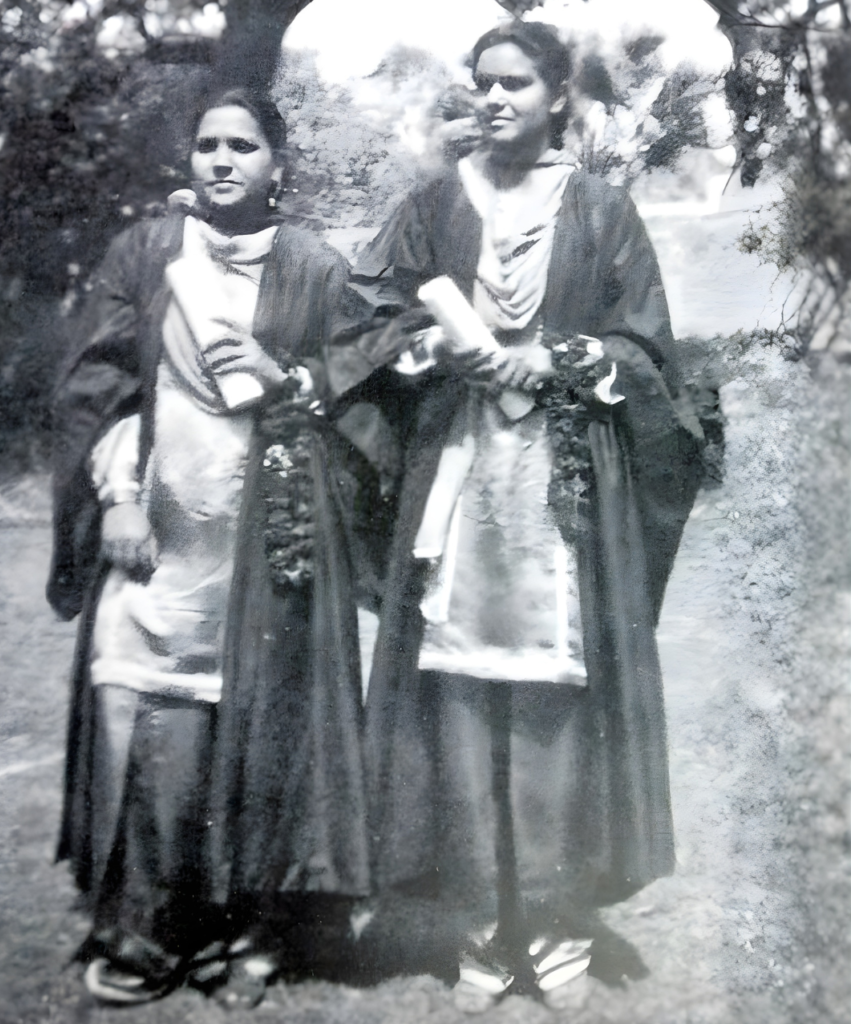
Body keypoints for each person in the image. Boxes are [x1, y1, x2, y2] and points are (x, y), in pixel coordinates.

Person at [334, 20, 708, 1012]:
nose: (494, 99)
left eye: (515, 84)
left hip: (565, 489)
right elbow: (365, 322)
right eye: (483, 82)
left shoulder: (601, 210)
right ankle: (481, 928)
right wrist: (430, 351)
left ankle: (551, 922)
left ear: (557, 97)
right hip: (458, 483)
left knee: (552, 706)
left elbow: (647, 350)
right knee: (459, 701)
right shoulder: (431, 205)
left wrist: (564, 357)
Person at [47, 85, 375, 1005]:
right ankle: (152, 926)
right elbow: (100, 385)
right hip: (157, 532)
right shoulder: (149, 252)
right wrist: (117, 496)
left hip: (268, 535)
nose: (223, 160)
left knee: (267, 725)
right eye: (207, 145)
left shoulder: (315, 267)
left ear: (278, 164)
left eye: (243, 145)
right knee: (146, 714)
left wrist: (291, 378)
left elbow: (360, 392)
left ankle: (261, 932)